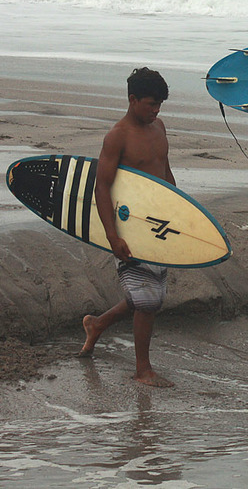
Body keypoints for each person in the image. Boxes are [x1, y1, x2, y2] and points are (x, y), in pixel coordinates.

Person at [79, 67, 176, 387]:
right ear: (133, 100)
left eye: (160, 104)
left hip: (159, 223)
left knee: (149, 293)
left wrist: (180, 214)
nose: (156, 110)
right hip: (130, 225)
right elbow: (102, 187)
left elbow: (165, 172)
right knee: (148, 299)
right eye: (150, 104)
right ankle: (142, 369)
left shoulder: (159, 127)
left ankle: (97, 324)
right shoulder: (117, 136)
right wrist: (112, 236)